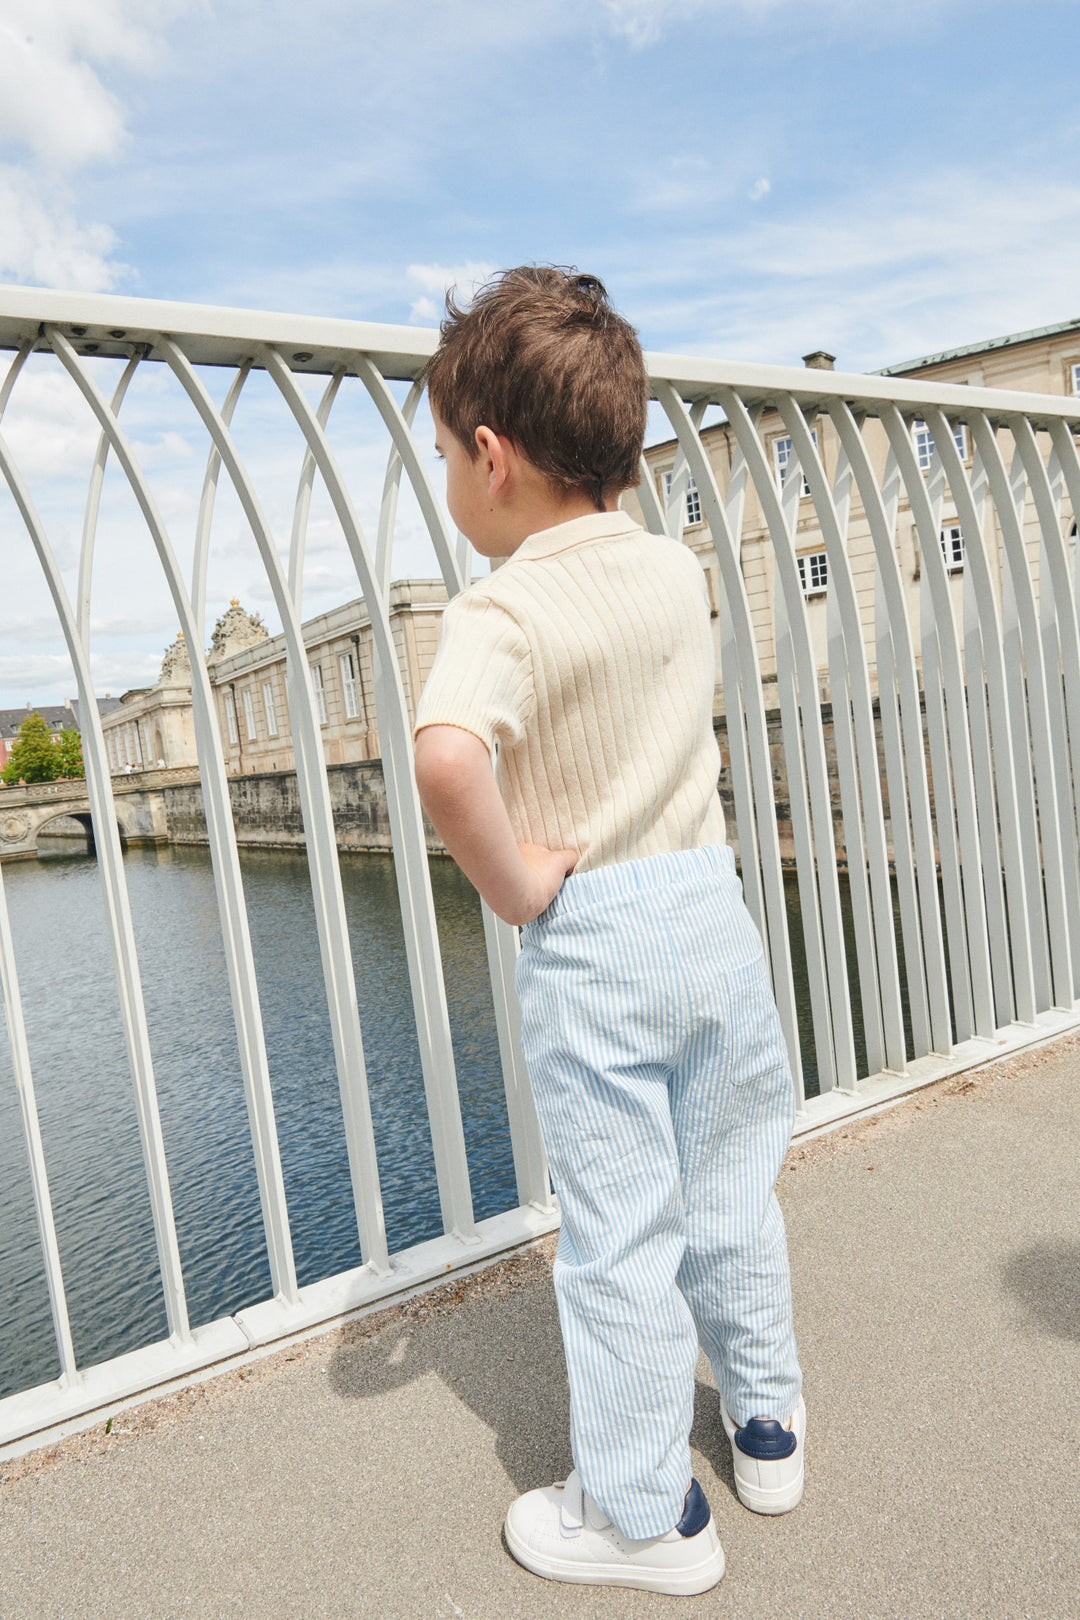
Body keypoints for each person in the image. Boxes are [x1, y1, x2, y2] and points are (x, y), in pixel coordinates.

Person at [412, 266, 803, 1597]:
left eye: (445, 462)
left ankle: (642, 1515)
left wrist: (517, 886)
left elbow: (449, 756)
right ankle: (767, 1428)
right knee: (734, 1184)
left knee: (622, 1235)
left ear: (490, 454)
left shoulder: (503, 605)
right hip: (713, 913)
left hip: (602, 943)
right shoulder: (669, 570)